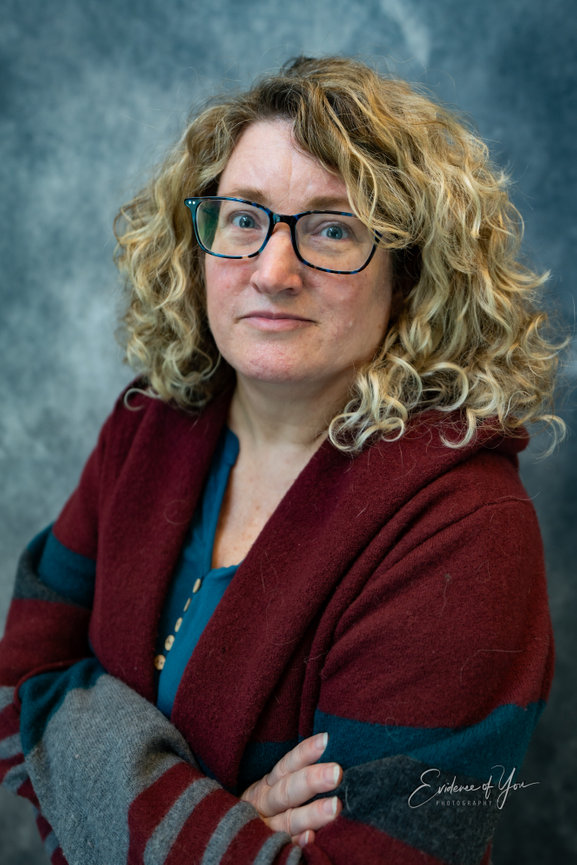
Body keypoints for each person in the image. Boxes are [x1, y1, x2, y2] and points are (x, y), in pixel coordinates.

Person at [0, 55, 565, 865]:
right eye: (243, 218)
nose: (271, 271)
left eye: (332, 228)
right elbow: (19, 684)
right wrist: (228, 825)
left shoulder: (467, 533)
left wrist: (93, 786)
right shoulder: (148, 428)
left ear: (409, 275)